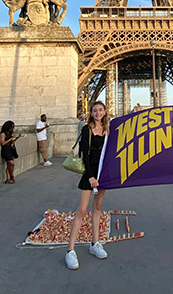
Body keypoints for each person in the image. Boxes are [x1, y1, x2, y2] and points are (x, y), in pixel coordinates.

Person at [65, 101, 109, 270]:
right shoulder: (86, 129)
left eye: (100, 110)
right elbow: (84, 153)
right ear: (91, 112)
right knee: (82, 210)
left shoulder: (108, 132)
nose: (98, 113)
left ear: (104, 112)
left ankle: (95, 243)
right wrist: (90, 176)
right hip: (90, 175)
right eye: (95, 110)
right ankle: (70, 250)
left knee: (97, 209)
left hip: (102, 174)